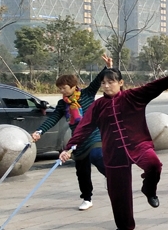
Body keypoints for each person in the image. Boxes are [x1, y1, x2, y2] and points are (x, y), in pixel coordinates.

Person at [59, 68, 168, 230]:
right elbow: (85, 127)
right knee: (118, 191)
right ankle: (125, 225)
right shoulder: (98, 105)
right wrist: (69, 147)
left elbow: (153, 87)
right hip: (113, 151)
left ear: (120, 82)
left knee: (154, 164)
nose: (106, 86)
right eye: (104, 83)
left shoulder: (132, 96)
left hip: (138, 145)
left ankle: (149, 190)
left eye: (111, 82)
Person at [32, 54, 113, 210]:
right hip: (78, 139)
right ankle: (87, 198)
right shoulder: (63, 104)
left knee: (98, 156)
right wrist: (39, 131)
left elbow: (98, 80)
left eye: (64, 87)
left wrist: (108, 68)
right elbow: (53, 118)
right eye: (60, 88)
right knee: (82, 171)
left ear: (73, 86)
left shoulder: (87, 94)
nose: (62, 90)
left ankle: (113, 178)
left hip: (95, 134)